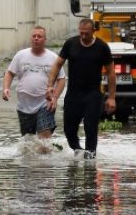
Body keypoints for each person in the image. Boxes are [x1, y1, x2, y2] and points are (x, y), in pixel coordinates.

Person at [47, 18, 116, 159]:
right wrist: (50, 85)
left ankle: (90, 158)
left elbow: (111, 72)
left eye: (86, 33)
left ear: (93, 31)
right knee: (69, 129)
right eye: (81, 33)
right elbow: (57, 65)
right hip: (73, 94)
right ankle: (78, 151)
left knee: (90, 128)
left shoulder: (102, 47)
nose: (83, 36)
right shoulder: (70, 43)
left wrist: (111, 97)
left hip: (93, 95)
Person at [3, 27, 66, 141]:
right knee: (28, 141)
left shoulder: (53, 57)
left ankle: (46, 157)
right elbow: (9, 73)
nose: (36, 38)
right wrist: (6, 88)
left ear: (45, 39)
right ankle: (31, 159)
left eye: (39, 36)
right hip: (24, 105)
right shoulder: (20, 55)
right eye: (34, 36)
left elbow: (61, 79)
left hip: (45, 104)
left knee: (44, 139)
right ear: (31, 38)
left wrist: (55, 98)